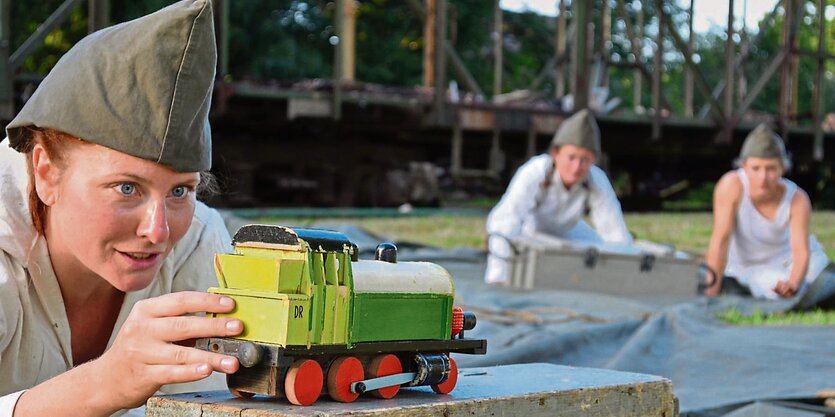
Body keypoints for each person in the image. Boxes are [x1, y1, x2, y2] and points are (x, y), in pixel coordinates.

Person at [0, 1, 245, 416]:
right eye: (127, 188)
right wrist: (103, 384)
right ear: (45, 172)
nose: (159, 232)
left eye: (180, 192)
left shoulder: (199, 244)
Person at [484, 109, 633, 285]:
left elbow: (613, 229)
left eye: (585, 159)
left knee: (598, 246)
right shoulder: (535, 171)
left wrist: (624, 275)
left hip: (569, 234)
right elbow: (507, 219)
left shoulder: (596, 179)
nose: (577, 167)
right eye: (571, 157)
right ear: (556, 154)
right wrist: (498, 276)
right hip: (531, 233)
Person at [703, 124, 829, 299]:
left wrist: (793, 283)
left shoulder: (797, 198)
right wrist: (710, 295)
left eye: (770, 169)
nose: (762, 178)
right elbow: (720, 240)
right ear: (744, 167)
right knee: (771, 286)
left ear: (782, 169)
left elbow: (801, 250)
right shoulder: (731, 186)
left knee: (819, 277)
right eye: (755, 168)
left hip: (792, 260)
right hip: (751, 267)